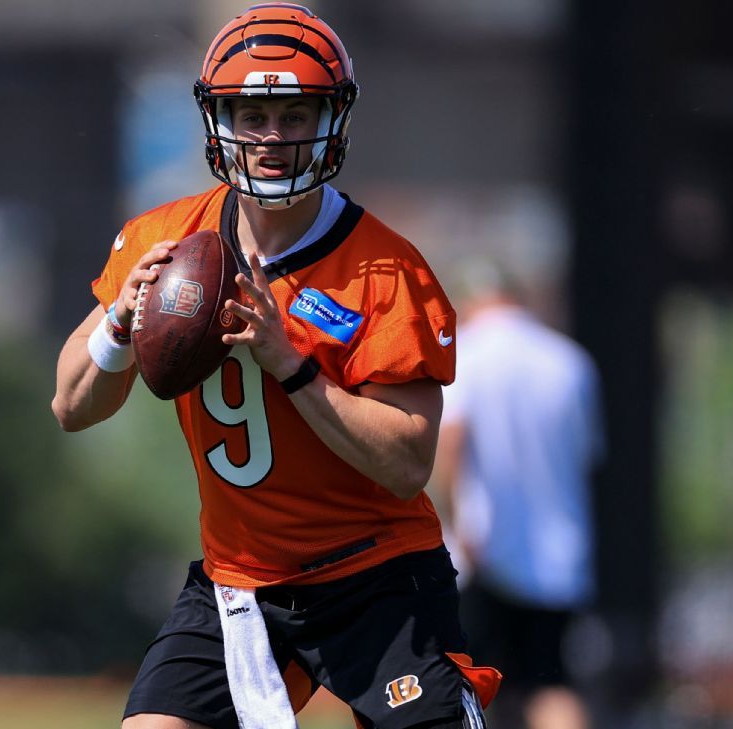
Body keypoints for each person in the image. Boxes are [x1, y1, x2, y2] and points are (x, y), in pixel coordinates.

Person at [52, 4, 499, 728]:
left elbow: (409, 462)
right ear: (217, 120)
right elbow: (72, 405)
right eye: (251, 114)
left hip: (374, 577)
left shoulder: (385, 270)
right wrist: (120, 321)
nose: (271, 137)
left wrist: (290, 362)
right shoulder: (164, 240)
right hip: (239, 579)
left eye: (295, 114)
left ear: (332, 120)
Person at [431, 260, 604, 729]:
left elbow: (452, 441)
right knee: (552, 684)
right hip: (557, 558)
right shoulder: (570, 362)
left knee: (467, 687)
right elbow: (588, 460)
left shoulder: (466, 353)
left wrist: (454, 519)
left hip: (485, 552)